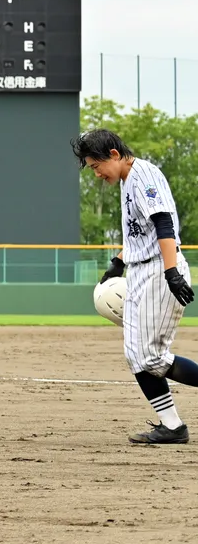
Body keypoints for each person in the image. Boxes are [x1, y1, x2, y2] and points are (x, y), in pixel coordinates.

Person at [72, 129, 198, 444]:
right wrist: (118, 261)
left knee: (151, 357)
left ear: (114, 155)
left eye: (96, 166)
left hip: (159, 270)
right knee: (136, 355)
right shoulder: (127, 180)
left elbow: (164, 224)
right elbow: (140, 233)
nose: (96, 173)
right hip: (141, 270)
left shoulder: (144, 176)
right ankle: (172, 426)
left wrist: (171, 272)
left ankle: (173, 427)